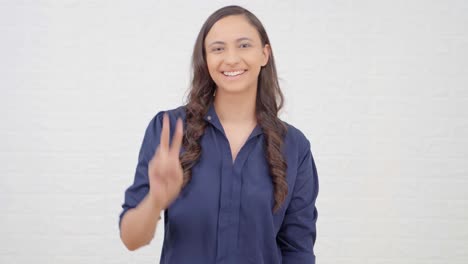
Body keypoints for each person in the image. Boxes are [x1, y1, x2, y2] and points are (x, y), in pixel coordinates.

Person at [119, 5, 319, 264]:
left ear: (264, 54)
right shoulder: (168, 130)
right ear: (205, 58)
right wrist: (155, 200)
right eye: (218, 48)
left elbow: (298, 250)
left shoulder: (294, 146)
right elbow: (131, 239)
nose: (231, 58)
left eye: (244, 45)